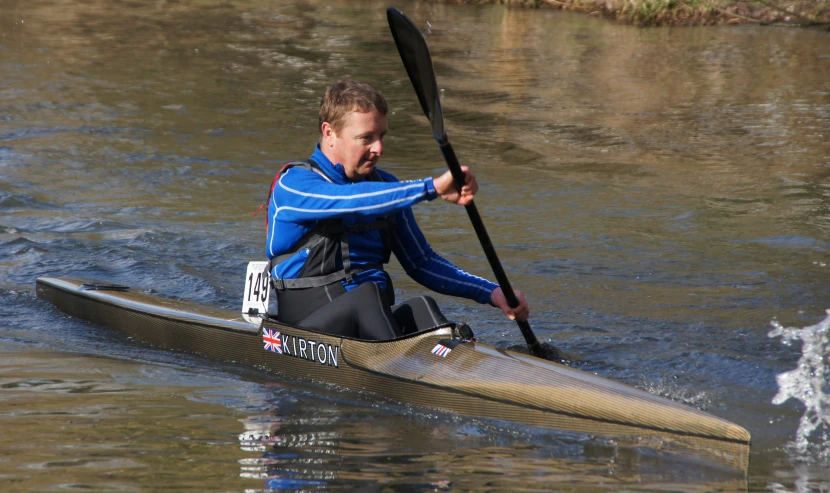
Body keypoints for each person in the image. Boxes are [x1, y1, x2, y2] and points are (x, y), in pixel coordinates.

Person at [265, 79, 528, 340]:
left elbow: (422, 263)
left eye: (381, 136)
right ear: (329, 133)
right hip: (305, 325)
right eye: (366, 138)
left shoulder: (384, 186)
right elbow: (351, 199)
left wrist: (492, 293)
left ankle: (457, 364)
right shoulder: (295, 185)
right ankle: (405, 366)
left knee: (421, 306)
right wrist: (431, 187)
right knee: (367, 295)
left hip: (370, 320)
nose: (379, 148)